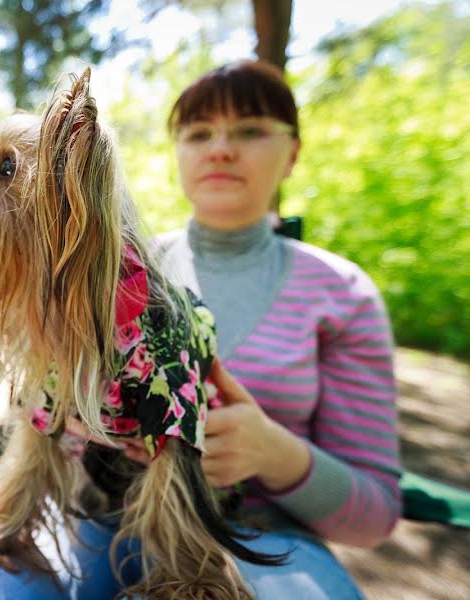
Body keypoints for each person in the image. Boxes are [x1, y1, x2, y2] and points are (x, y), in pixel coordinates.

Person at [148, 60, 403, 594]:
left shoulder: (341, 292)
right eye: (198, 133)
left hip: (268, 543)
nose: (220, 148)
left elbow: (376, 514)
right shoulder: (122, 271)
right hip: (103, 519)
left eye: (250, 130)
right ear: (178, 153)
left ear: (293, 154)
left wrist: (273, 453)